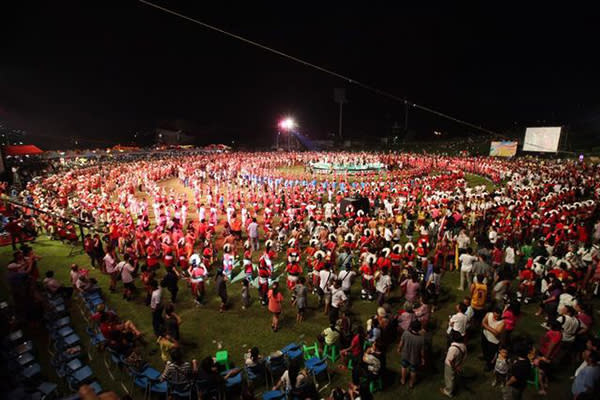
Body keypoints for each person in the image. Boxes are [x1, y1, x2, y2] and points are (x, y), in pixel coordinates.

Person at [397, 320, 425, 389]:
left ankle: (403, 380)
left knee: (404, 367)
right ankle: (411, 383)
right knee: (413, 370)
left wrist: (399, 348)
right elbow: (422, 351)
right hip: (414, 357)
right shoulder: (421, 339)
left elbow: (401, 342)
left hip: (405, 355)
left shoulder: (406, 333)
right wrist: (422, 358)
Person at [441, 330, 467, 397]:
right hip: (458, 363)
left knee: (449, 378)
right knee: (454, 377)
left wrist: (454, 368)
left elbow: (450, 360)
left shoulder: (452, 349)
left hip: (451, 366)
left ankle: (448, 391)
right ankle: (454, 386)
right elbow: (464, 356)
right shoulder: (463, 345)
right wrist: (459, 365)